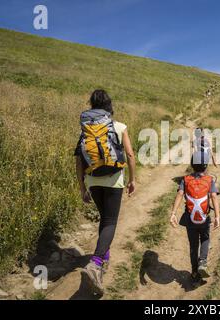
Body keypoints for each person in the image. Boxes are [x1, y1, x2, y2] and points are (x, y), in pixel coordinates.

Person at [74, 89, 136, 295]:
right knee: (110, 221)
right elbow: (129, 154)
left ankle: (104, 257)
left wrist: (83, 187)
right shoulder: (118, 126)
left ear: (91, 105)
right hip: (113, 180)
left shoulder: (86, 129)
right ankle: (95, 262)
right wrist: (133, 179)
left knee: (104, 218)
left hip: (92, 179)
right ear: (109, 105)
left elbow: (78, 159)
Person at [169, 152, 220, 285]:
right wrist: (217, 216)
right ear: (206, 166)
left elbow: (180, 195)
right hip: (204, 219)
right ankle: (202, 262)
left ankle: (194, 273)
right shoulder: (210, 180)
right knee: (205, 238)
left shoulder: (185, 180)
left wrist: (173, 213)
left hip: (190, 219)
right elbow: (214, 197)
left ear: (192, 165)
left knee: (193, 245)